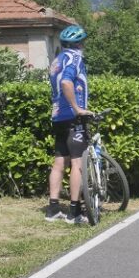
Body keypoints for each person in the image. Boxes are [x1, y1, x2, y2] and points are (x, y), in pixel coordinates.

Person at [45, 24, 93, 224]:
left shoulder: (56, 60)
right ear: (79, 43)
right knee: (77, 163)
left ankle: (53, 209)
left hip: (57, 116)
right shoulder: (75, 57)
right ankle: (75, 211)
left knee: (59, 163)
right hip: (73, 117)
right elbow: (66, 82)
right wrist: (77, 108)